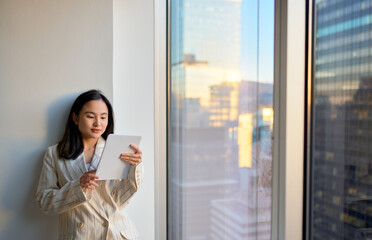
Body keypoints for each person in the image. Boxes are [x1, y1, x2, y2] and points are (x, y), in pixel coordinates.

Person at [35, 90, 143, 240]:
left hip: (116, 234)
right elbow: (44, 202)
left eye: (103, 117)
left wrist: (135, 168)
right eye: (90, 116)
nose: (98, 123)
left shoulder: (117, 151)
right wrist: (78, 187)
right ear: (75, 117)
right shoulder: (54, 154)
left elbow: (120, 201)